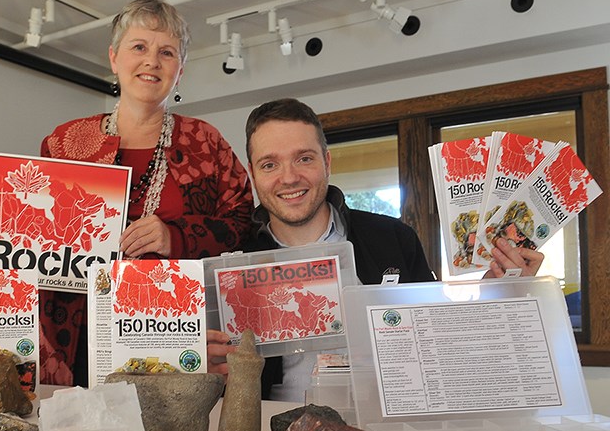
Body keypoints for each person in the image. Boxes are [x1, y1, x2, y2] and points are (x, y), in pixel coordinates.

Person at [208, 98, 544, 400]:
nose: (289, 177)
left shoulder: (392, 237)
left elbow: (438, 341)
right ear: (252, 174)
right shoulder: (229, 259)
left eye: (304, 158)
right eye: (270, 165)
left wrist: (498, 291)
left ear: (327, 162)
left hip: (381, 425)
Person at [39, 0, 253, 386]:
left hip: (171, 331)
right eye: (139, 47)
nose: (152, 61)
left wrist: (177, 237)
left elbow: (243, 223)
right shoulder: (64, 143)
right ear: (114, 57)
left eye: (166, 52)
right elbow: (32, 229)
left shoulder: (205, 142)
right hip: (75, 335)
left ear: (180, 70)